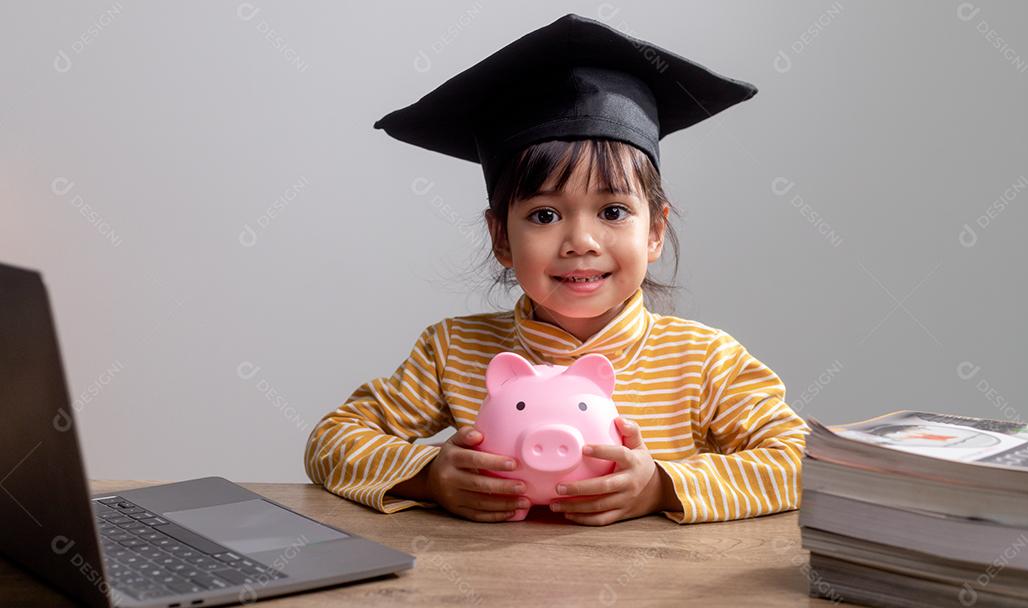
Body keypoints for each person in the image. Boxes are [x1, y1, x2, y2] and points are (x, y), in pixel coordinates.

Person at [304, 13, 809, 525]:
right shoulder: (450, 353)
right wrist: (429, 475)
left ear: (655, 230)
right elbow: (331, 439)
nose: (581, 242)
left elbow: (800, 461)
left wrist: (661, 486)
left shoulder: (704, 362)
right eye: (544, 215)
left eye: (613, 211)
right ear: (501, 236)